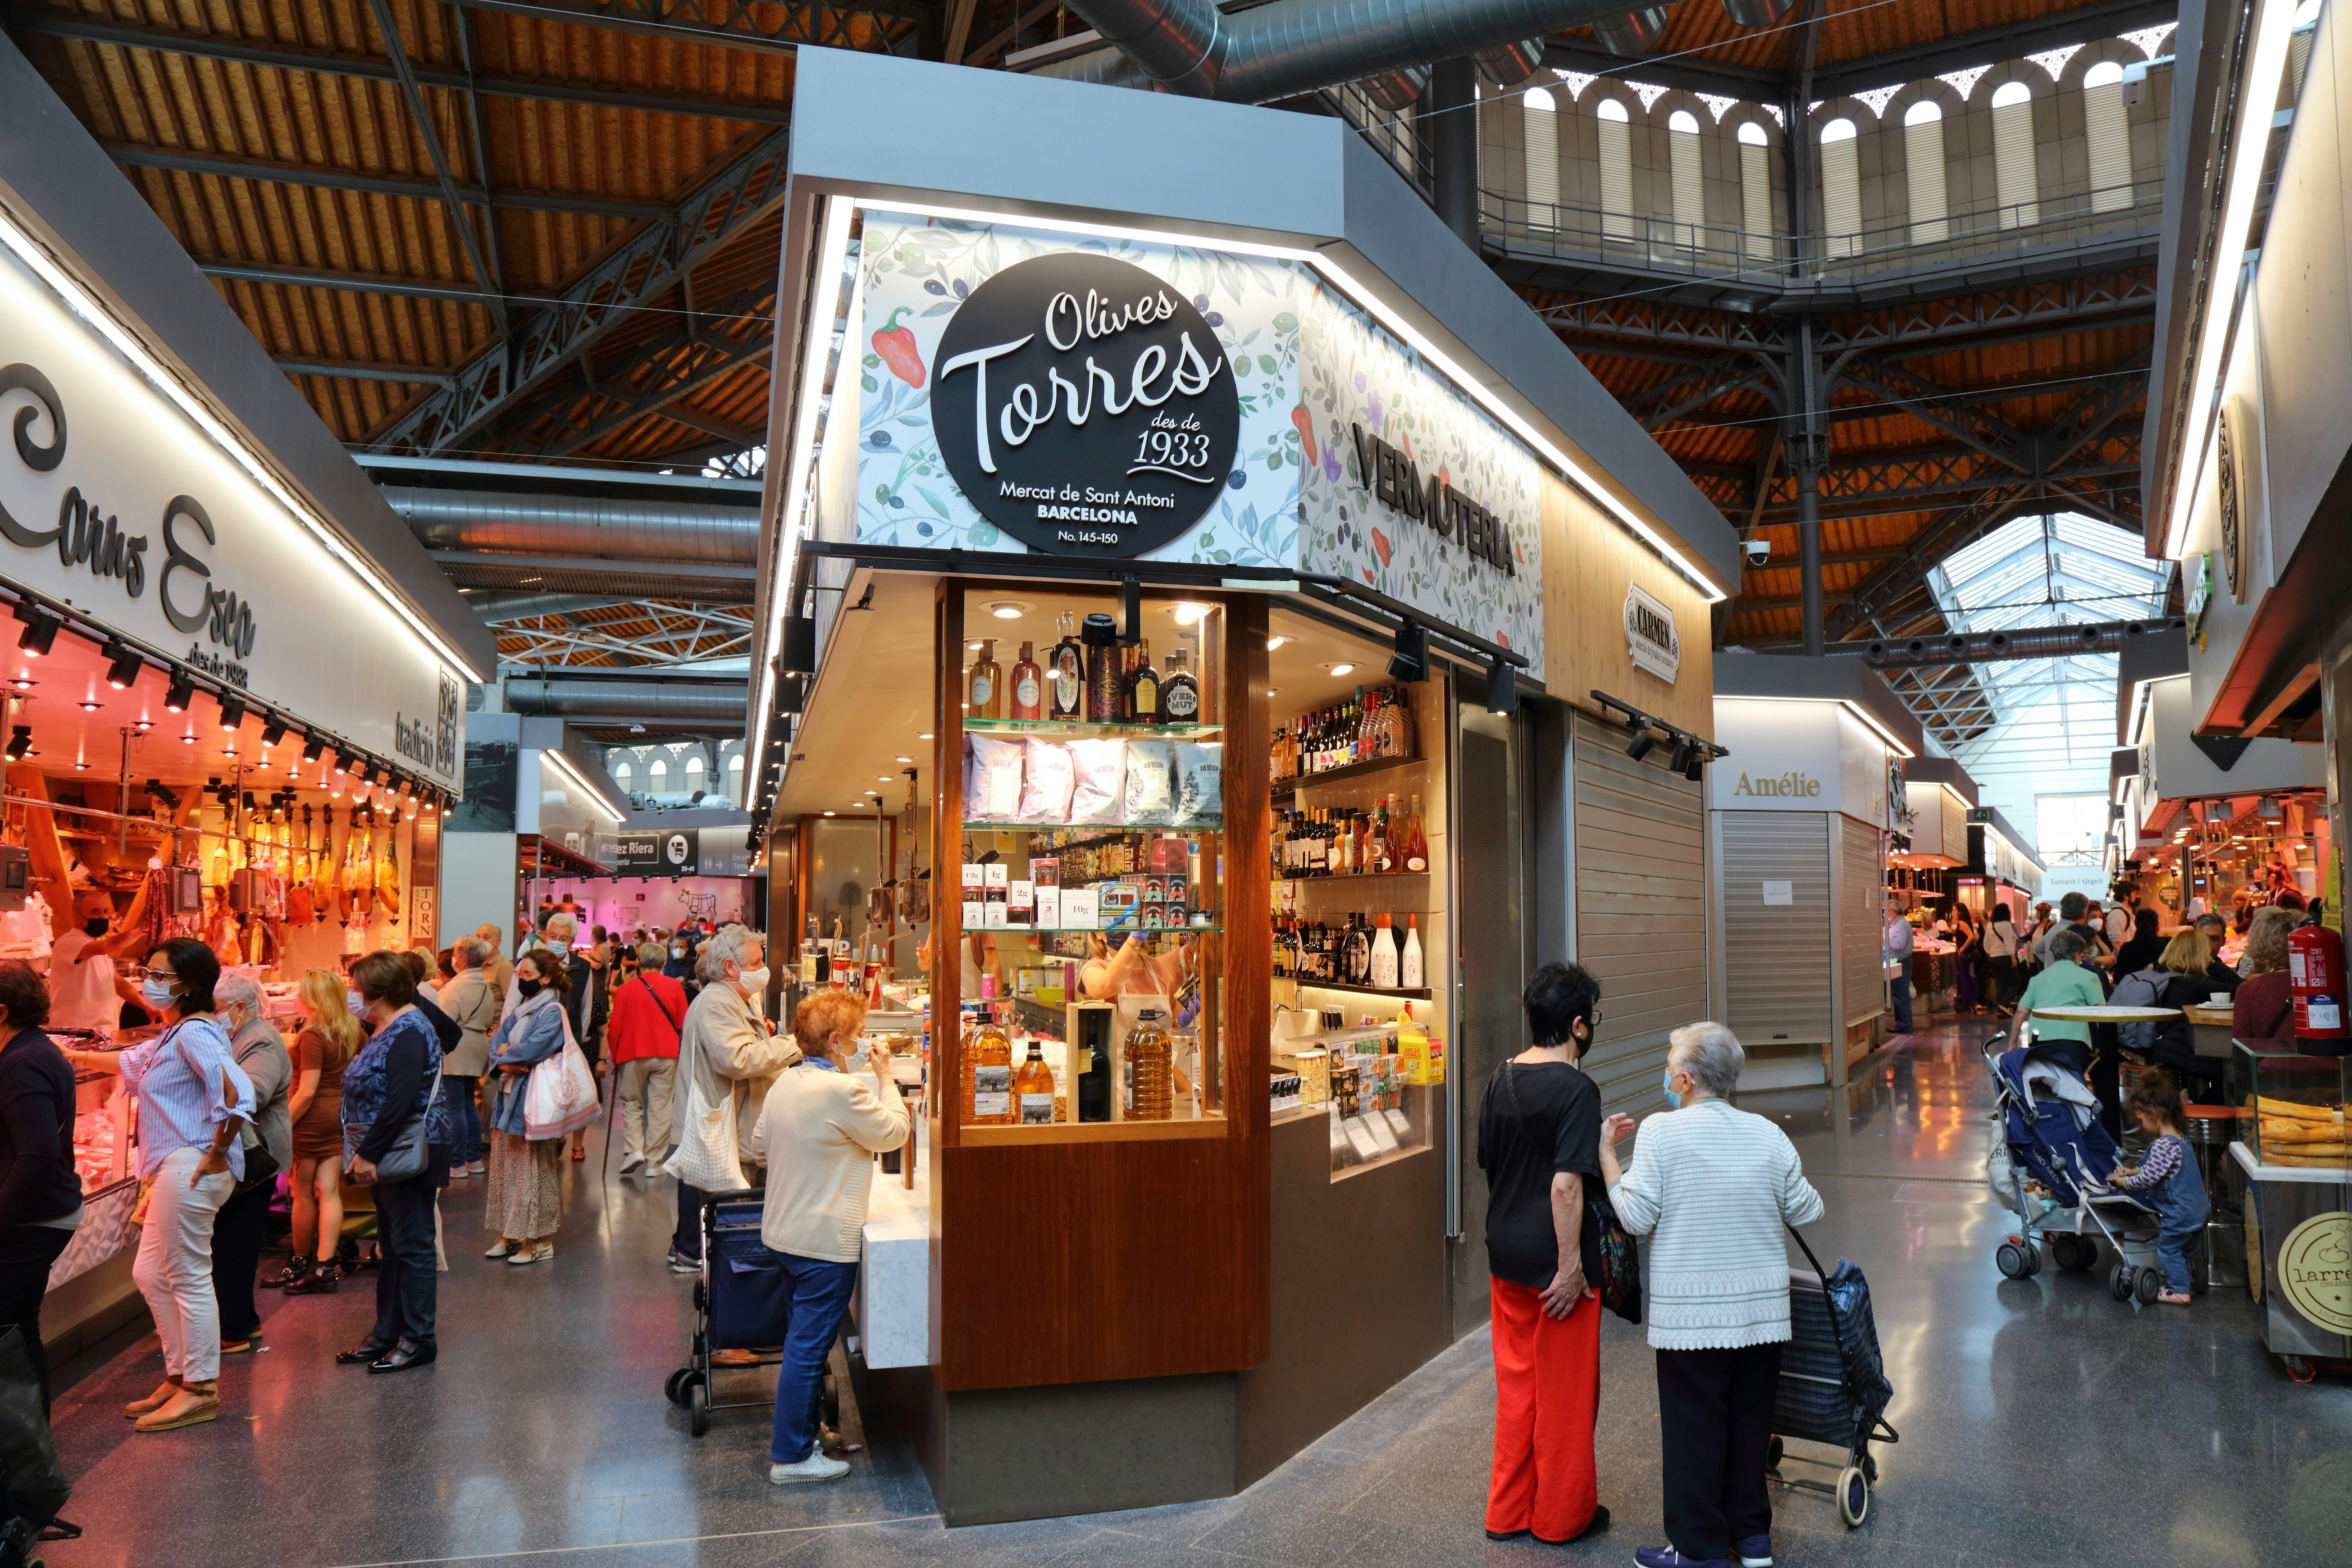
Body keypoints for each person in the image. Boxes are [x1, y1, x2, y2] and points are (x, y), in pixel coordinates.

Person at [1599, 1022, 1823, 1568]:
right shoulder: (1767, 1133)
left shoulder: (1660, 1133)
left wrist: (1608, 1157)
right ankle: (1752, 1541)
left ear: (1685, 1078)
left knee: (1694, 1430)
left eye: (1670, 1063)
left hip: (1693, 1318)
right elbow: (1808, 1209)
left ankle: (1698, 1550)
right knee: (1749, 1428)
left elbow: (1634, 1216)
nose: (1667, 1074)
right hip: (1761, 1314)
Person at [83, 939, 253, 1432]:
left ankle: (200, 1389)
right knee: (152, 1274)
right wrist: (61, 1050)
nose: (148, 981)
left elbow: (237, 1090)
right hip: (175, 1166)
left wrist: (219, 1152)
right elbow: (129, 1064)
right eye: (148, 971)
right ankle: (180, 1376)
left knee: (187, 1276)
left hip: (191, 1163)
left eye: (159, 974)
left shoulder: (197, 1032)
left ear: (190, 984)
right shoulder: (175, 1033)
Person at [748, 988, 909, 1485]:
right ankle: (791, 1459)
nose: (863, 1046)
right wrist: (885, 1076)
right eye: (858, 1038)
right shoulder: (843, 1092)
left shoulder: (785, 1083)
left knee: (802, 1340)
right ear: (837, 1041)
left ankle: (805, 1433)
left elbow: (758, 1146)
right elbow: (894, 1134)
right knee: (808, 1349)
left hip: (783, 1233)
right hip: (822, 1243)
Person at [1476, 962, 1609, 1547]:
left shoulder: (1499, 1079)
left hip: (1504, 1254)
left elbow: (1490, 1162)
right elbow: (1565, 1185)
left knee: (1518, 1389)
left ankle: (1505, 1513)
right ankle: (1560, 1519)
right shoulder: (1578, 1090)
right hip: (1557, 1267)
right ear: (1577, 1026)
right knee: (1566, 1399)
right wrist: (1571, 1266)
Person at [337, 949, 452, 1372]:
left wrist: (369, 1153)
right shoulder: (387, 1024)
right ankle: (387, 1332)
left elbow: (401, 1099)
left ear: (378, 990)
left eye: (357, 985)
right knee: (394, 1247)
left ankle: (419, 1339)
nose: (353, 992)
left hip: (405, 1150)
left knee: (412, 1246)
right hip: (390, 1147)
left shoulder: (408, 1029)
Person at [664, 925, 797, 1273]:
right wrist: (794, 1044)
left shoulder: (736, 998)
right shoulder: (716, 1003)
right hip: (724, 1123)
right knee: (727, 1215)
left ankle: (692, 1250)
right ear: (730, 968)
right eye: (756, 961)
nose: (763, 967)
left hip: (733, 1119)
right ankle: (710, 1265)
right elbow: (738, 1059)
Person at [0, 960, 82, 1413]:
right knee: (18, 1325)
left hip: (36, 1216)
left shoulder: (22, 1061)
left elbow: (35, 1157)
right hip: (45, 1211)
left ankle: (22, 1456)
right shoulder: (33, 1050)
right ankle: (33, 1450)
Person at [210, 974, 290, 1356]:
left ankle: (234, 1331)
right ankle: (247, 1321)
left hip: (255, 1157)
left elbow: (251, 1093)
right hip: (245, 1156)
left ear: (240, 1009)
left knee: (234, 1246)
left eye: (217, 1010)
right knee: (232, 1243)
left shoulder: (258, 1039)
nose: (213, 1017)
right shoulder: (242, 1034)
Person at [483, 949, 573, 1265]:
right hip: (510, 1095)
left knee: (532, 1170)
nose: (520, 980)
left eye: (526, 975)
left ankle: (540, 1241)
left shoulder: (551, 1011)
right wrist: (506, 1060)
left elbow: (531, 1051)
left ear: (546, 978)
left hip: (532, 1101)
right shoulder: (522, 1008)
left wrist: (508, 1056)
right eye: (519, 974)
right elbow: (497, 1045)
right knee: (508, 1169)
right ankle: (511, 1233)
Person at [279, 970, 361, 1294]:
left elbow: (307, 1091)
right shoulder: (352, 1028)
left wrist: (283, 1125)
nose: (298, 997)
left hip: (311, 1118)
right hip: (339, 1116)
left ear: (313, 999)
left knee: (302, 1191)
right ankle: (326, 1265)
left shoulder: (312, 1035)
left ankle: (300, 1261)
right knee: (328, 1190)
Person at [2108, 1075, 2206, 1305]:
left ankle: (2180, 1292)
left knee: (2169, 1250)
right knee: (2182, 1251)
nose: (2142, 1125)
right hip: (2199, 1211)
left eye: (2142, 1119)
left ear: (2153, 1114)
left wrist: (2126, 1184)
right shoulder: (2182, 1141)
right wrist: (2134, 1170)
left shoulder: (2163, 1146)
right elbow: (2158, 1168)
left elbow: (2150, 1178)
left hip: (2179, 1213)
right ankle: (2186, 1278)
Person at [608, 942, 687, 1176]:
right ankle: (655, 1162)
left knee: (632, 1102)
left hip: (633, 1053)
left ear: (639, 963)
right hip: (667, 1052)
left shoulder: (625, 990)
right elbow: (683, 1023)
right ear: (664, 964)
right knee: (662, 1106)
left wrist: (615, 1056)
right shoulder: (675, 987)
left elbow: (615, 1029)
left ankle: (634, 1150)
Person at [44, 888, 155, 1032]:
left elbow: (115, 981)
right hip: (76, 1031)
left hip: (105, 1030)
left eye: (105, 912)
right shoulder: (69, 942)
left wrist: (147, 1007)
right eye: (95, 912)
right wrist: (142, 930)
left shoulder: (98, 943)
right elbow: (106, 947)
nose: (103, 917)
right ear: (77, 918)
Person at [438, 938, 500, 1179]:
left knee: (454, 1106)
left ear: (462, 960)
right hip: (477, 1046)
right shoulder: (485, 985)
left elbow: (444, 1020)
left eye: (455, 954)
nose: (453, 958)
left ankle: (456, 1163)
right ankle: (474, 1159)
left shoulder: (457, 986)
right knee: (467, 1104)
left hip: (456, 1048)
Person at [2015, 928, 2106, 1074]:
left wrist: (2012, 1043)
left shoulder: (2038, 979)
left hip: (2039, 1040)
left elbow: (2021, 1011)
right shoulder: (2088, 977)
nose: (2082, 958)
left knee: (2046, 1081)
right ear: (2077, 953)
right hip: (2073, 1040)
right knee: (2072, 1082)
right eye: (2082, 954)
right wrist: (2101, 1045)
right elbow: (2101, 1013)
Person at [2233, 906, 2300, 1044]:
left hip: (2273, 1064)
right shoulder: (2324, 983)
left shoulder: (2249, 990)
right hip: (2331, 1064)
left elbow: (2242, 1048)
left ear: (2259, 943)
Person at [1982, 902, 2021, 1010]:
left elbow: (1986, 944)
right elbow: (2008, 944)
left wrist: (1992, 953)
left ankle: (2001, 1008)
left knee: (2000, 983)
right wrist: (2013, 958)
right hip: (2006, 957)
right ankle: (2004, 1005)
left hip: (1994, 958)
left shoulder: (1991, 925)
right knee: (2016, 981)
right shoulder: (2006, 925)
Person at [2191, 912, 2243, 994]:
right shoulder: (2182, 968)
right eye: (2202, 938)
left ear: (2224, 941)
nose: (2207, 944)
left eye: (2214, 939)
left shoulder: (2218, 967)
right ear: (2193, 940)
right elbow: (2242, 990)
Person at [1884, 903, 1915, 1035]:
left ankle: (1903, 1025)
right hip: (1899, 961)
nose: (1886, 915)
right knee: (1901, 993)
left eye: (1887, 911)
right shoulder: (1898, 924)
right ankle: (1905, 1023)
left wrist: (1885, 939)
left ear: (1893, 912)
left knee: (1900, 994)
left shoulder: (1901, 925)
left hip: (1901, 962)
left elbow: (1900, 944)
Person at [2113, 907, 2165, 980]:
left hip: (2133, 990)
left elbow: (2118, 978)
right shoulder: (2166, 945)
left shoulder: (2126, 948)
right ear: (2157, 927)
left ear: (2136, 925)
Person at [475, 923, 514, 996]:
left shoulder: (505, 967)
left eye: (486, 938)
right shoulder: (476, 964)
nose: (481, 941)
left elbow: (510, 1002)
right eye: (478, 937)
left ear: (498, 942)